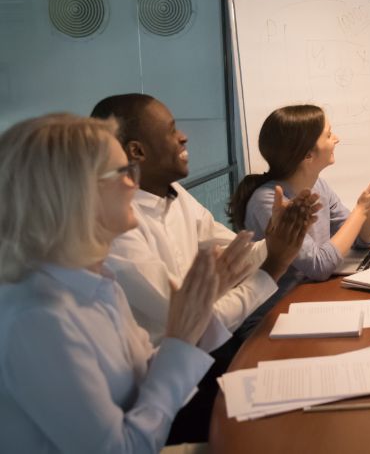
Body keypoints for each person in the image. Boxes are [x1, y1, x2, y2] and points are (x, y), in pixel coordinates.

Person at [91, 94, 319, 444]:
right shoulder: (119, 229)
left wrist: (276, 241)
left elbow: (233, 254)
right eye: (171, 131)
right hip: (168, 383)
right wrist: (271, 268)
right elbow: (193, 320)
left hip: (199, 355)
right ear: (136, 153)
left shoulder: (176, 195)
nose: (183, 137)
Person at [0, 114, 227, 452]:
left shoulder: (98, 281)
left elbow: (142, 378)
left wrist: (190, 327)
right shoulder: (37, 318)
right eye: (122, 172)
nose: (134, 184)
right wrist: (180, 339)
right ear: (74, 192)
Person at [228, 104, 370, 292]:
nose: (336, 139)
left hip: (311, 293)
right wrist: (361, 211)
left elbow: (363, 242)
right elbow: (318, 266)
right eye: (329, 135)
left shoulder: (319, 185)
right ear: (308, 154)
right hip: (275, 309)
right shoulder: (268, 200)